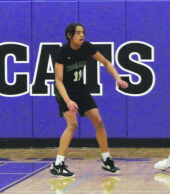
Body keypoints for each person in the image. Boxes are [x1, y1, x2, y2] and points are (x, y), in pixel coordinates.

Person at [50, 23, 129, 177]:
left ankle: (106, 160)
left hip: (80, 88)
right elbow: (58, 81)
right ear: (69, 35)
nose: (82, 35)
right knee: (72, 124)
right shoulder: (62, 52)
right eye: (78, 33)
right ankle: (58, 164)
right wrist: (68, 101)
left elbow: (106, 62)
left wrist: (118, 78)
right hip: (64, 91)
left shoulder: (86, 47)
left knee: (98, 120)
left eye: (83, 32)